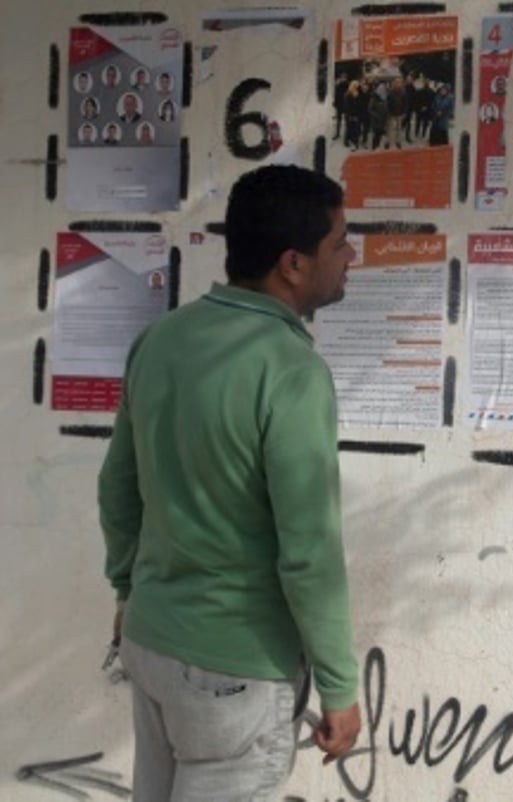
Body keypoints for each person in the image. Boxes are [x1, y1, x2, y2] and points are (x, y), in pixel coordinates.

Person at [99, 164, 361, 801]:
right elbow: (310, 552)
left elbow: (117, 488)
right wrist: (340, 689)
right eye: (339, 244)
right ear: (292, 264)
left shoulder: (160, 340)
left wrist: (128, 589)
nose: (351, 257)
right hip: (236, 673)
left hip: (152, 642)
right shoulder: (292, 370)